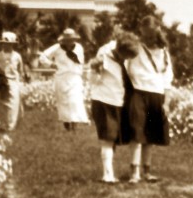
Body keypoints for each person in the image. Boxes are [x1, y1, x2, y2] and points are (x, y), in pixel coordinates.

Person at [124, 17, 173, 183]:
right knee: (137, 133)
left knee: (150, 136)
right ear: (142, 33)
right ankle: (134, 172)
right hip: (138, 93)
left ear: (157, 32)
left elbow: (168, 80)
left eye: (152, 34)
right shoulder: (135, 49)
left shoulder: (164, 52)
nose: (149, 38)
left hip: (157, 95)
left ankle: (147, 171)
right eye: (146, 34)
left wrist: (166, 103)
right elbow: (125, 69)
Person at [88, 30, 140, 184]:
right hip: (103, 100)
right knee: (107, 139)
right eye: (127, 57)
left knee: (112, 139)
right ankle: (107, 175)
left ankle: (109, 172)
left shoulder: (118, 49)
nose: (127, 59)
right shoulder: (103, 56)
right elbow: (93, 81)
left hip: (118, 100)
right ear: (120, 51)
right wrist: (94, 68)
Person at [37, 28, 89, 131]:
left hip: (75, 78)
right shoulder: (57, 48)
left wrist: (81, 74)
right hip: (61, 78)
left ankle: (74, 126)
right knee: (64, 102)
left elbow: (80, 62)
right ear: (63, 40)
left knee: (75, 101)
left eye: (72, 39)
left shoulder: (79, 48)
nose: (70, 42)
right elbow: (42, 56)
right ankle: (67, 126)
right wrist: (51, 64)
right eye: (67, 40)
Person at [0, 31, 25, 132]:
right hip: (0, 82)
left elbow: (20, 70)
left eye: (8, 44)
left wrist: (21, 80)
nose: (6, 45)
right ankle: (0, 125)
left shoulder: (17, 56)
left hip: (13, 82)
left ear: (13, 44)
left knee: (13, 103)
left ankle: (10, 126)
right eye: (4, 43)